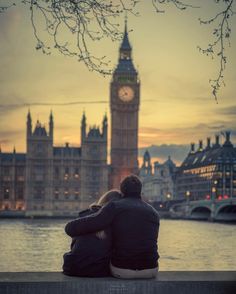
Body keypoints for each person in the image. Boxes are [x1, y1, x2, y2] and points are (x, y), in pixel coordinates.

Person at [65, 175, 160, 279]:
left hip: (123, 270)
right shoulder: (153, 212)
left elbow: (92, 223)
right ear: (140, 191)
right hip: (151, 270)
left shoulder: (115, 206)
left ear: (122, 191)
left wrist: (69, 228)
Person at [63, 189, 122, 277]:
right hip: (98, 270)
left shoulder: (84, 215)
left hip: (71, 267)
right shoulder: (115, 221)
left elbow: (73, 238)